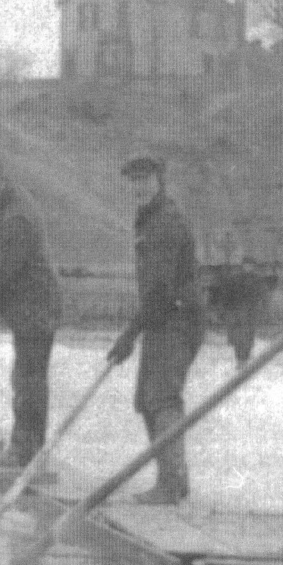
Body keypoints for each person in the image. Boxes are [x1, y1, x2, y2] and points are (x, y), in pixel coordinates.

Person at [108, 155, 203, 505]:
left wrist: (129, 334)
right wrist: (135, 332)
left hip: (178, 319)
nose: (138, 186)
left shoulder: (165, 222)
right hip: (162, 318)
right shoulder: (148, 218)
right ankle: (172, 481)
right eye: (133, 180)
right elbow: (153, 290)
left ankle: (172, 483)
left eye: (145, 178)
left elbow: (161, 288)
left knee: (162, 398)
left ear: (160, 179)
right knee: (149, 400)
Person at [0, 161, 62, 467]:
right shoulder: (9, 207)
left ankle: (25, 452)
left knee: (28, 381)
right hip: (30, 305)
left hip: (35, 305)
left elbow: (5, 267)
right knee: (27, 378)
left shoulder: (16, 216)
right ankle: (27, 450)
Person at [206, 257, 278, 367]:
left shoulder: (257, 280)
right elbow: (227, 294)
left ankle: (245, 359)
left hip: (251, 312)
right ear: (242, 266)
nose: (248, 267)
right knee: (238, 338)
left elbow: (264, 296)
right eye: (246, 265)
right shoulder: (236, 279)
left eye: (250, 265)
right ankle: (240, 360)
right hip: (237, 312)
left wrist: (265, 310)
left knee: (249, 336)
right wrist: (224, 309)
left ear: (253, 267)